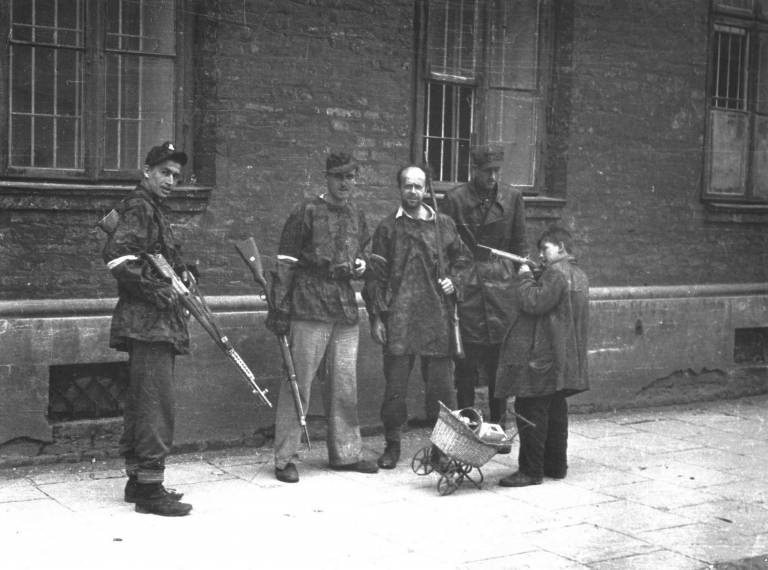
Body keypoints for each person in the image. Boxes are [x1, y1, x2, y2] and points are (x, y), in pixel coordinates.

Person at [267, 151, 379, 483]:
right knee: (297, 383)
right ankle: (284, 457)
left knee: (345, 383)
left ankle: (345, 454)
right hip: (309, 304)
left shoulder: (358, 214)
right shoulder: (305, 212)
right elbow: (285, 263)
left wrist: (362, 263)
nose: (345, 183)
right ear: (327, 177)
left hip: (344, 307)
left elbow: (367, 253)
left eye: (351, 177)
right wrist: (280, 309)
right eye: (339, 177)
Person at [102, 142, 194, 516]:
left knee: (143, 401)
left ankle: (138, 480)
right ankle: (150, 491)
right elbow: (118, 258)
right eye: (164, 173)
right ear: (147, 172)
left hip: (151, 323)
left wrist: (184, 273)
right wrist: (164, 290)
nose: (171, 180)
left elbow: (160, 261)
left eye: (176, 175)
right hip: (149, 324)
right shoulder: (141, 206)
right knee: (157, 404)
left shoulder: (153, 208)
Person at [364, 164, 472, 469]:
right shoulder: (387, 228)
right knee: (395, 389)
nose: (413, 192)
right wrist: (376, 317)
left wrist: (455, 281)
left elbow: (464, 260)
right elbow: (375, 276)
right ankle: (392, 445)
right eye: (407, 186)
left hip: (437, 320)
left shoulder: (444, 225)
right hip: (398, 320)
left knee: (442, 391)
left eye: (418, 186)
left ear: (427, 190)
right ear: (399, 189)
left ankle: (442, 450)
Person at [442, 144, 527, 438]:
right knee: (465, 363)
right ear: (474, 170)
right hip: (468, 287)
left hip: (502, 287)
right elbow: (445, 247)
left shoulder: (512, 197)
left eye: (496, 171)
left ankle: (498, 428)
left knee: (498, 364)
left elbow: (519, 247)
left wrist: (515, 281)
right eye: (487, 171)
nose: (493, 176)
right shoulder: (454, 199)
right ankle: (466, 428)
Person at [495, 225, 589, 487]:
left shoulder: (556, 274)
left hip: (543, 357)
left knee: (530, 408)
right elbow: (557, 305)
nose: (540, 255)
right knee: (555, 409)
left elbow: (533, 302)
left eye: (545, 248)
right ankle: (555, 465)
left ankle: (531, 470)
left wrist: (525, 276)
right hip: (563, 357)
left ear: (561, 247)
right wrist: (539, 275)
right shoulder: (578, 275)